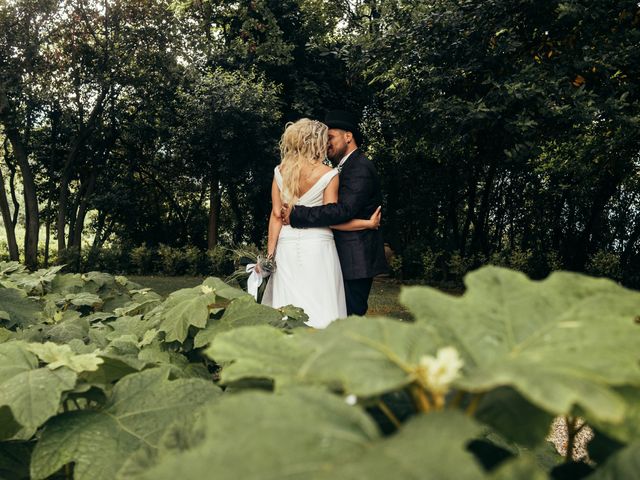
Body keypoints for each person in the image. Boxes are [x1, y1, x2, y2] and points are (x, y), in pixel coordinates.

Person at [261, 118, 381, 328]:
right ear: (316, 142)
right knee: (321, 303)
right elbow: (333, 217)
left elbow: (275, 215)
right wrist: (366, 224)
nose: (327, 144)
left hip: (286, 246)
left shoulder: (280, 171)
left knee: (286, 304)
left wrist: (270, 256)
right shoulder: (329, 174)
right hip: (319, 246)